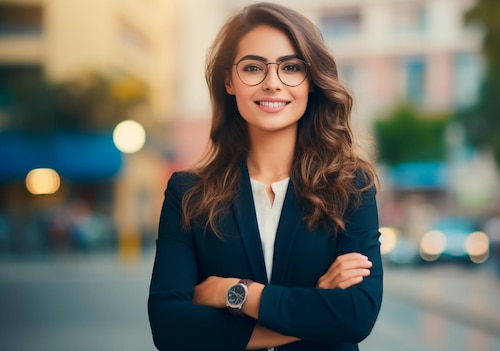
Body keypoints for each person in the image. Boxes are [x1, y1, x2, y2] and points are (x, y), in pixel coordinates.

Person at [148, 3, 383, 351]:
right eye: (254, 67)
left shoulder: (350, 186)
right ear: (229, 80)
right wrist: (315, 305)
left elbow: (357, 316)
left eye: (290, 67)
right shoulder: (188, 194)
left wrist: (234, 293)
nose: (272, 83)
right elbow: (169, 328)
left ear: (311, 81)